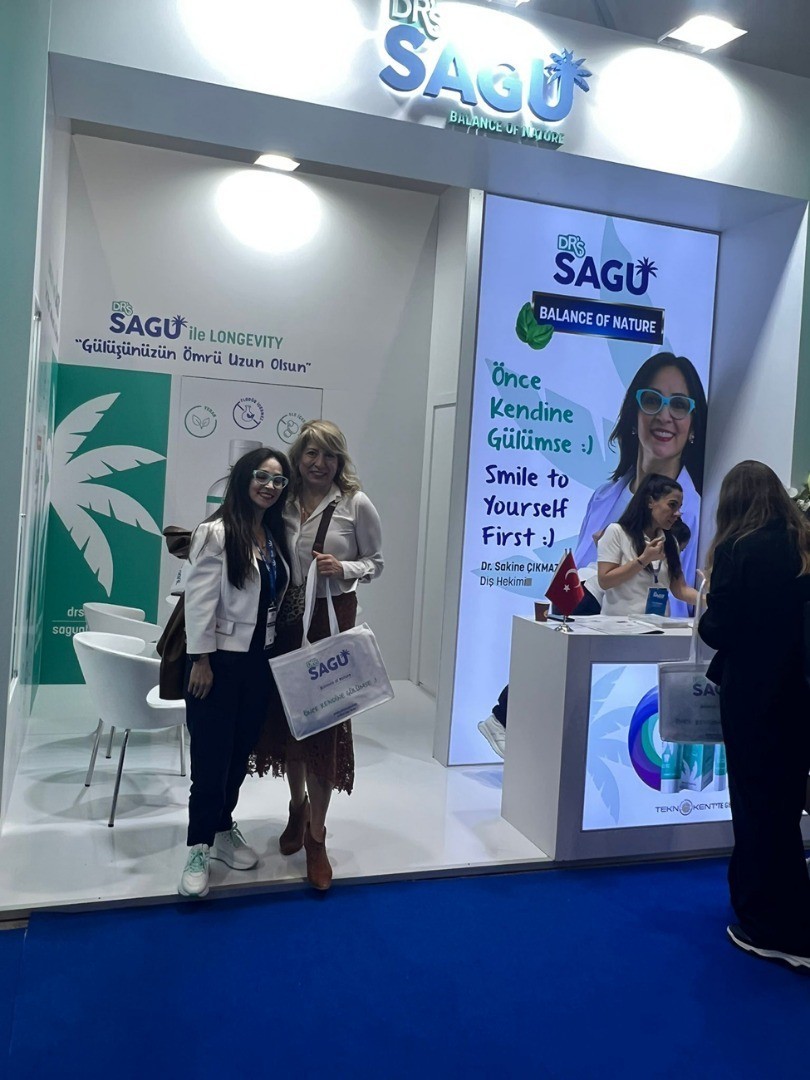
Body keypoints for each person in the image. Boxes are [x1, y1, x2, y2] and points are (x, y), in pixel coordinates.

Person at [253, 420, 383, 890]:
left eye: (329, 455)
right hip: (285, 627)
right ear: (298, 456)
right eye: (311, 453)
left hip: (330, 628)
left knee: (323, 730)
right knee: (293, 727)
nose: (319, 463)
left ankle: (317, 836)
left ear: (339, 460)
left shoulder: (355, 503)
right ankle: (297, 807)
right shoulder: (282, 501)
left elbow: (376, 563)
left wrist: (343, 566)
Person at [698, 460, 810, 969]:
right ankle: (793, 913)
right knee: (785, 807)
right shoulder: (802, 545)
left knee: (756, 807)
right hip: (799, 698)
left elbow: (717, 629)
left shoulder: (737, 549)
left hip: (754, 698)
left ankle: (771, 926)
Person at [178, 447, 291, 898]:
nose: (269, 486)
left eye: (278, 480)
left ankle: (223, 827)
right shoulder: (216, 533)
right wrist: (200, 660)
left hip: (259, 663)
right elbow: (199, 601)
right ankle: (198, 846)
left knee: (239, 752)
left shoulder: (272, 536)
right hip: (218, 663)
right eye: (262, 476)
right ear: (244, 478)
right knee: (210, 759)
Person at [574, 352, 707, 616]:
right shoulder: (601, 498)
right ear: (634, 414)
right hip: (583, 637)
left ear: (693, 426)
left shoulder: (700, 515)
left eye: (679, 404)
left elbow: (683, 598)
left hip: (653, 638)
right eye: (652, 400)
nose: (664, 415)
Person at [597, 473, 698, 616]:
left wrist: (710, 600)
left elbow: (680, 589)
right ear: (650, 502)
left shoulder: (670, 542)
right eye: (672, 505)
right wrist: (643, 560)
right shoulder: (617, 532)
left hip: (658, 625)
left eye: (679, 507)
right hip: (620, 625)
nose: (677, 513)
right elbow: (605, 581)